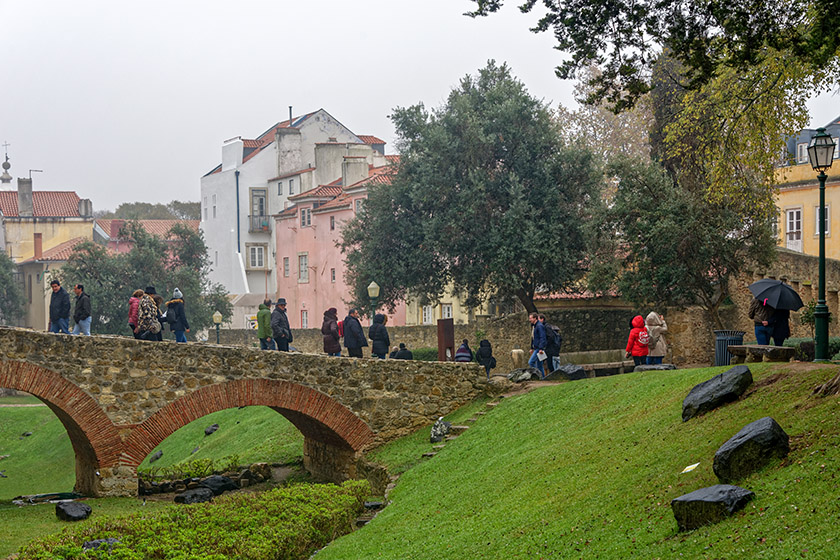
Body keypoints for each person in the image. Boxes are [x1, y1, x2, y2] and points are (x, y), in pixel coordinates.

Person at [528, 312, 548, 378]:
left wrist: (541, 348)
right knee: (539, 365)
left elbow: (542, 337)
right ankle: (543, 378)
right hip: (537, 347)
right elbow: (533, 338)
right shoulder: (535, 326)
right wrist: (531, 348)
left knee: (531, 362)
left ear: (535, 318)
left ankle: (536, 375)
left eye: (530, 318)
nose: (529, 320)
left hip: (538, 348)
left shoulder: (539, 326)